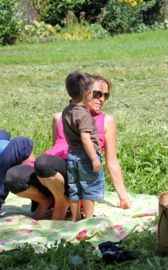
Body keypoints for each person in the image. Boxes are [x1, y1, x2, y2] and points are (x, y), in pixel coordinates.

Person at [6, 74, 132, 221]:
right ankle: (45, 201)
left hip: (77, 170)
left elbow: (111, 161)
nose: (102, 99)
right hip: (51, 171)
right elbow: (56, 148)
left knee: (43, 162)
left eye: (106, 95)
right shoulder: (60, 117)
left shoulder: (106, 121)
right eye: (97, 94)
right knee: (13, 177)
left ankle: (62, 201)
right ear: (86, 91)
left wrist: (123, 198)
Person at [62, 70, 103, 221]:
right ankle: (89, 219)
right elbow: (86, 138)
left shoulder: (67, 110)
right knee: (89, 188)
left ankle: (75, 218)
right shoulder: (84, 114)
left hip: (71, 154)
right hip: (86, 156)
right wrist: (94, 158)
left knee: (74, 188)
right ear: (87, 93)